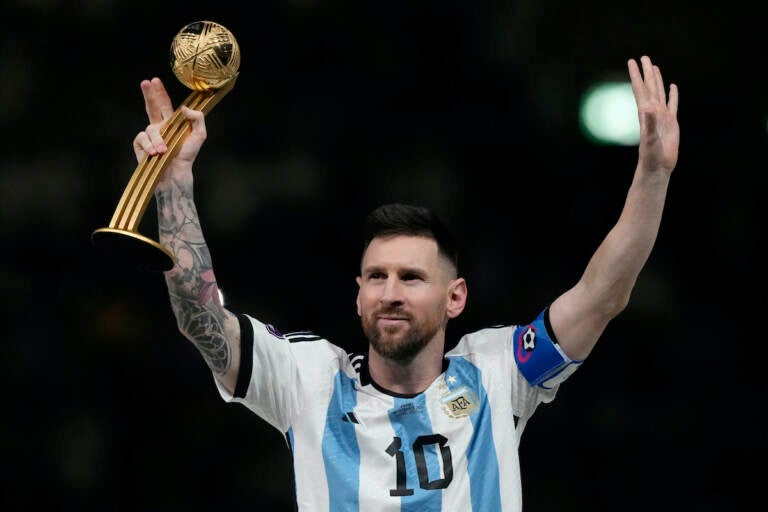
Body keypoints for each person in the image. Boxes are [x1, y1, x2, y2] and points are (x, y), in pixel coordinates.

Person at [133, 55, 679, 511]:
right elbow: (197, 315)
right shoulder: (308, 379)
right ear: (358, 294)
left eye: (412, 277)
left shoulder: (498, 372)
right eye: (377, 276)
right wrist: (174, 182)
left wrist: (653, 175)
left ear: (455, 297)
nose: (390, 291)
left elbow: (603, 295)